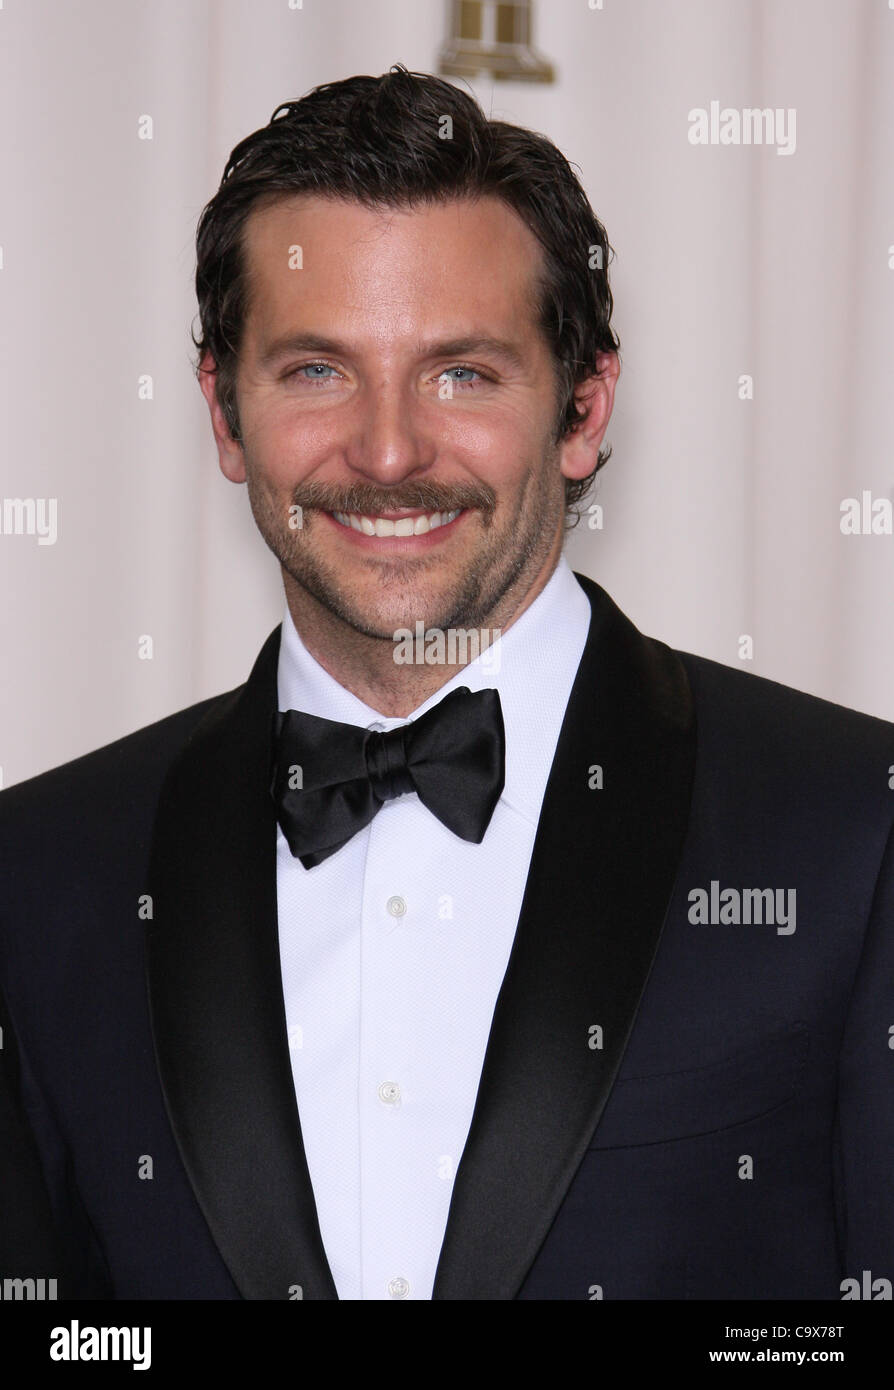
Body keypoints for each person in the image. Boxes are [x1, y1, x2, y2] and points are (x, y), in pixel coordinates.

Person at [1, 65, 892, 1303]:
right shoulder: (42, 868)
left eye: (463, 373)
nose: (387, 450)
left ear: (583, 409)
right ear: (222, 410)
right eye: (316, 370)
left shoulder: (855, 829)